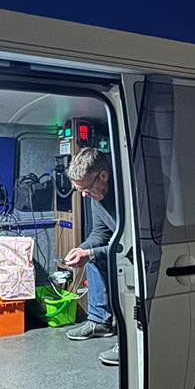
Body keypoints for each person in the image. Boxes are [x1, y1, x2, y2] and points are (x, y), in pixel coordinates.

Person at [63, 148, 119, 366]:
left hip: (138, 254)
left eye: (86, 189)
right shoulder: (96, 197)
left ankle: (129, 341)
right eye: (80, 190)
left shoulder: (127, 195)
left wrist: (91, 253)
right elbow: (100, 234)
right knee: (92, 258)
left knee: (124, 270)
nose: (84, 195)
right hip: (121, 248)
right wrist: (82, 249)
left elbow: (131, 242)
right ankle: (99, 321)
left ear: (103, 176)